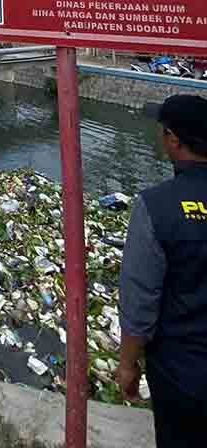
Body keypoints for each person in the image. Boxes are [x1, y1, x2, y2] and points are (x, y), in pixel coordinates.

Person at [117, 92, 207, 446]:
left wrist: (127, 365)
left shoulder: (155, 207)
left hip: (182, 372)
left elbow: (140, 299)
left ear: (174, 140)